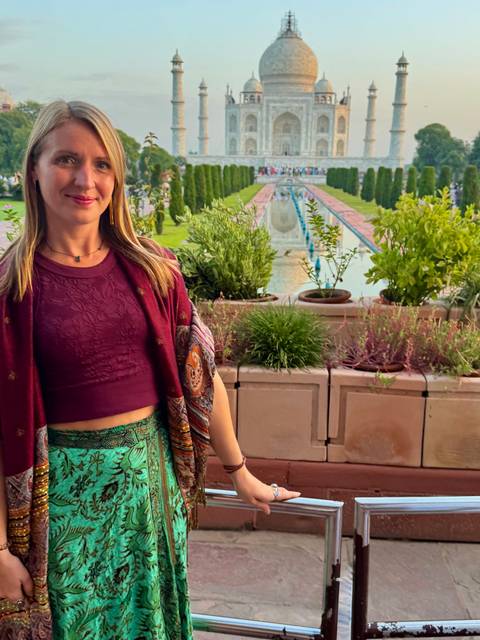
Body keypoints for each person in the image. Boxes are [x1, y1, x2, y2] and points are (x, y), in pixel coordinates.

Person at [0, 100, 300, 639]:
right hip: (61, 506)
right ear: (34, 169)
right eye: (67, 159)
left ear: (117, 176)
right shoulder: (11, 289)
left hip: (148, 492)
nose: (85, 178)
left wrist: (239, 472)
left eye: (102, 163)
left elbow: (200, 377)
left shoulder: (152, 269)